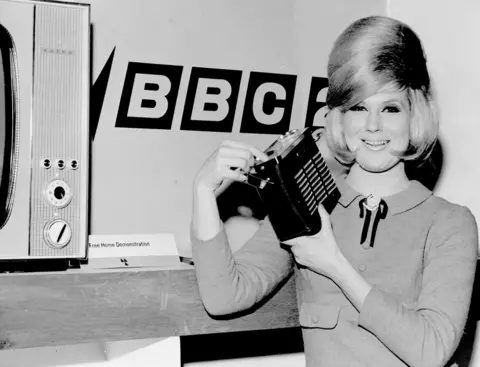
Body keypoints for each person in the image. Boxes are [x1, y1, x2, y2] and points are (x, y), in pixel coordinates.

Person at [190, 15, 478, 367]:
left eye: (390, 108)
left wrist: (335, 266)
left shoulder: (449, 222)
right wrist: (204, 192)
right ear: (339, 116)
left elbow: (431, 351)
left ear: (415, 115)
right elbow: (224, 297)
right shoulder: (310, 202)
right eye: (358, 107)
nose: (373, 126)